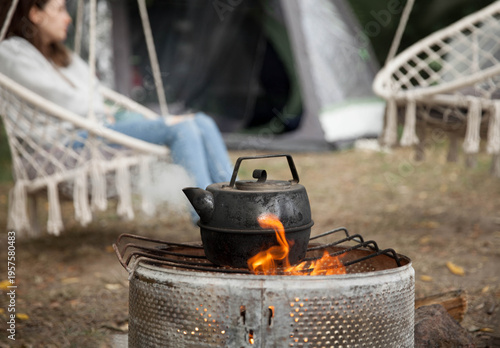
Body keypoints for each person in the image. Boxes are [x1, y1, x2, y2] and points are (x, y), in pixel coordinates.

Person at [0, 0, 234, 198]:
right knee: (181, 128)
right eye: (60, 9)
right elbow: (59, 98)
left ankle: (236, 200)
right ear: (35, 14)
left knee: (202, 121)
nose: (67, 18)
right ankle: (206, 215)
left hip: (95, 127)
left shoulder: (60, 55)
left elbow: (93, 90)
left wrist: (98, 109)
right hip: (67, 139)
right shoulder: (11, 53)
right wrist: (97, 110)